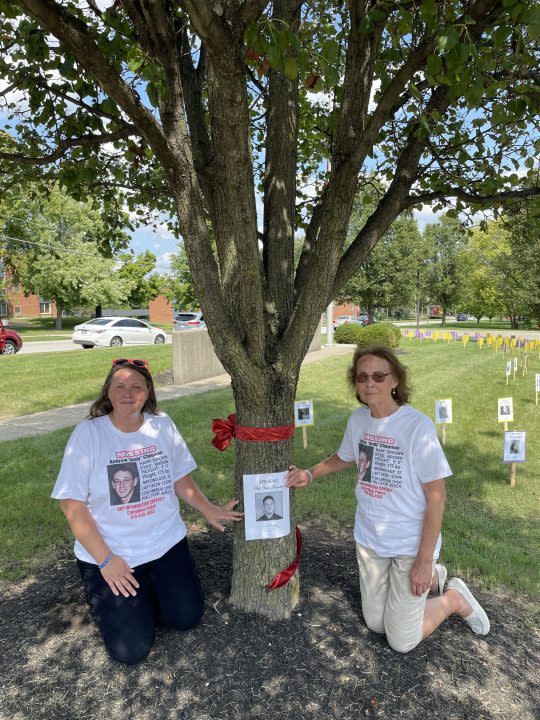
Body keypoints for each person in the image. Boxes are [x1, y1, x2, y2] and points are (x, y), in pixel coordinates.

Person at [286, 345, 490, 653]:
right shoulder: (358, 420)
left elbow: (436, 497)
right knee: (376, 623)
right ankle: (435, 579)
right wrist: (310, 474)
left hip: (410, 544)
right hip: (371, 540)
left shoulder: (417, 427)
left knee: (401, 640)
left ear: (395, 380)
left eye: (379, 376)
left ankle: (452, 598)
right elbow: (343, 457)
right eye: (362, 376)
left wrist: (422, 561)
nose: (370, 383)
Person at [52, 357, 243, 664]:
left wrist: (209, 509)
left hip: (166, 546)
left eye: (136, 386)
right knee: (131, 651)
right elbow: (71, 504)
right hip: (114, 556)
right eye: (120, 386)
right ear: (108, 393)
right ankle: (131, 600)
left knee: (186, 618)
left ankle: (150, 594)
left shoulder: (162, 425)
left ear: (148, 392)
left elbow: (179, 477)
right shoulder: (89, 434)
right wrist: (106, 560)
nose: (128, 393)